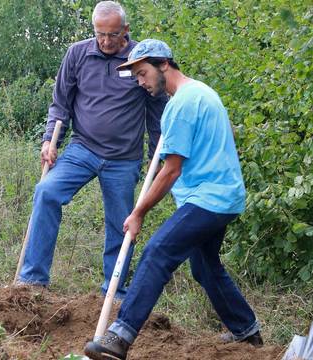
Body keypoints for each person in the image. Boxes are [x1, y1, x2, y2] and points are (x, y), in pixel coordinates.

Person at [84, 39, 261, 360]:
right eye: (136, 77)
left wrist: (138, 212)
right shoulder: (203, 93)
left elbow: (170, 171)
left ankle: (119, 337)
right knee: (205, 267)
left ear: (163, 64)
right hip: (224, 195)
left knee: (157, 252)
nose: (141, 82)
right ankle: (247, 332)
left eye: (142, 73)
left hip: (209, 199)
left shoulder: (181, 105)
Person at [17, 1, 167, 299]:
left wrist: (158, 158)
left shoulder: (139, 59)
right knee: (46, 192)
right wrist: (50, 141)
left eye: (113, 34)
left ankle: (114, 292)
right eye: (100, 33)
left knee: (122, 224)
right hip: (82, 149)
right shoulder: (78, 53)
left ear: (125, 30)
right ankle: (33, 281)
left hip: (124, 159)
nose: (106, 41)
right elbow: (61, 103)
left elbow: (155, 112)